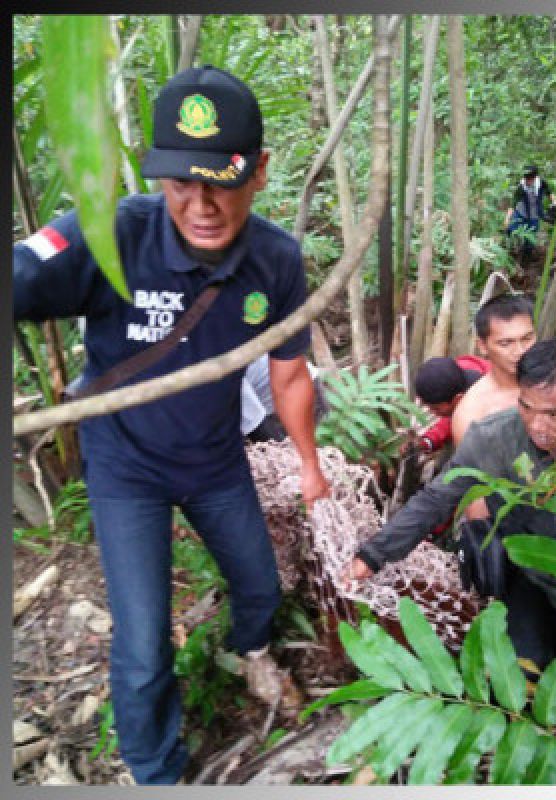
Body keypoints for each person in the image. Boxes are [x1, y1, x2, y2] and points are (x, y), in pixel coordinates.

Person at [13, 65, 329, 785]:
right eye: (181, 181)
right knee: (145, 641)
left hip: (215, 458)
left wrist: (309, 463)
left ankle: (249, 651)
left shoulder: (276, 258)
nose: (202, 202)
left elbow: (288, 373)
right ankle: (157, 771)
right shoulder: (111, 233)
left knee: (260, 586)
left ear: (260, 172)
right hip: (126, 466)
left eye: (221, 178)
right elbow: (20, 275)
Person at [346, 339, 556, 669]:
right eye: (526, 406)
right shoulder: (495, 440)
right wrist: (371, 557)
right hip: (530, 576)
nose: (536, 426)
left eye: (553, 414)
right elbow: (437, 498)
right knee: (526, 672)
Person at [451, 293, 537, 445]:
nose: (520, 351)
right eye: (506, 343)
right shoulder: (472, 416)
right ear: (483, 346)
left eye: (527, 338)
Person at [412, 354, 490, 453]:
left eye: (436, 409)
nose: (432, 412)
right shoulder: (454, 374)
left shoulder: (489, 405)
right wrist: (427, 442)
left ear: (458, 399)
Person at [504, 164, 556, 256]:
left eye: (530, 178)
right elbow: (513, 204)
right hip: (521, 213)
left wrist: (554, 201)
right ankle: (510, 250)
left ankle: (526, 259)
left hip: (534, 215)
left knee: (530, 240)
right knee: (510, 229)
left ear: (535, 177)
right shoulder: (521, 187)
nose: (527, 181)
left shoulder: (541, 183)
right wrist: (507, 218)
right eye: (526, 178)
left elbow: (549, 192)